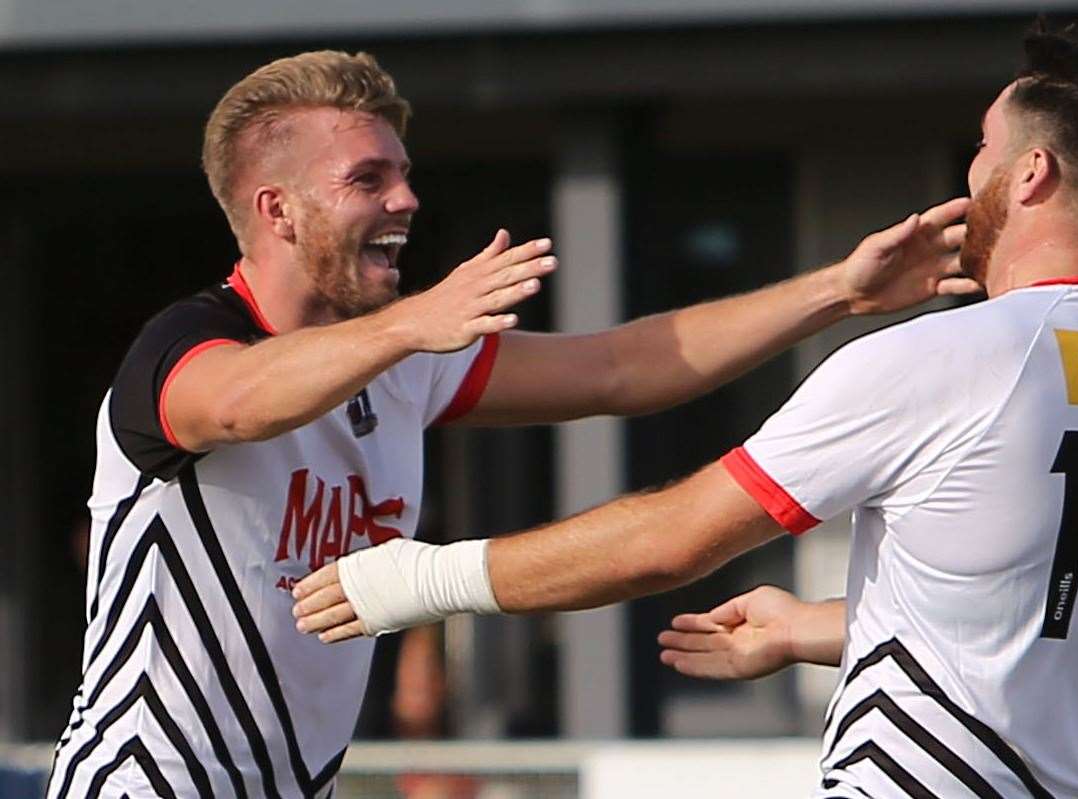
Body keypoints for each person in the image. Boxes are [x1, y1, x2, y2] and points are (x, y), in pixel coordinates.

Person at [294, 27, 1078, 798]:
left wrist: (417, 582)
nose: (970, 169)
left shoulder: (948, 357)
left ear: (1032, 176)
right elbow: (1032, 614)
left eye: (983, 147)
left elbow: (675, 538)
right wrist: (804, 628)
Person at [48, 50, 974, 799]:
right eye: (367, 178)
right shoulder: (189, 344)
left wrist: (839, 292)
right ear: (276, 210)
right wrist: (415, 322)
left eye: (404, 175)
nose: (405, 200)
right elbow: (239, 401)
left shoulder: (402, 359)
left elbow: (623, 366)